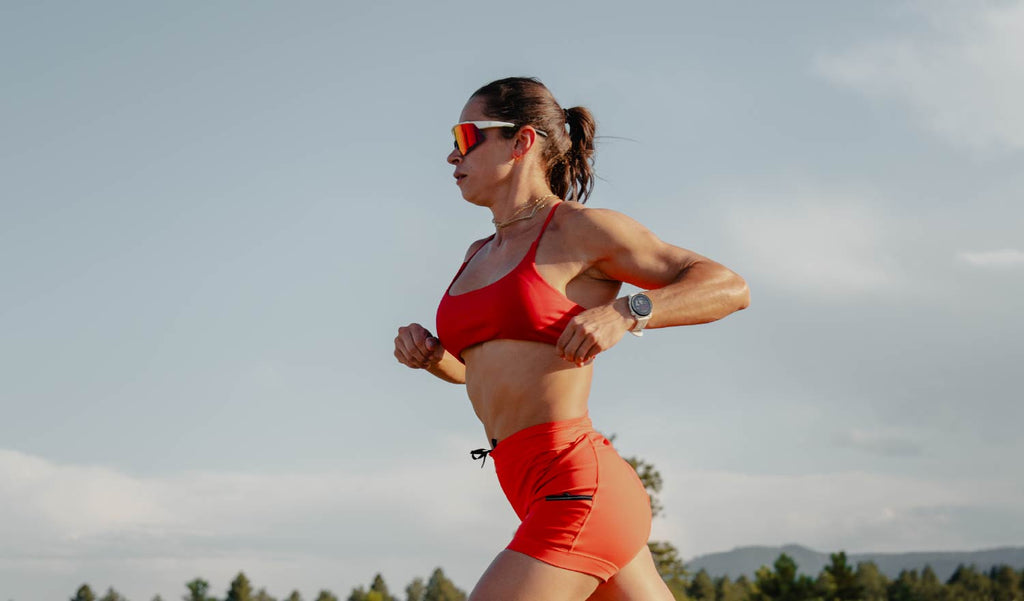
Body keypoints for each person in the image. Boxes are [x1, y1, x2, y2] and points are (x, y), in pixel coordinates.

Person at [394, 77, 749, 601]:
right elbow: (490, 373)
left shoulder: (578, 231)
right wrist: (431, 357)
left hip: (576, 482)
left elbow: (728, 286)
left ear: (522, 142)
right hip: (527, 485)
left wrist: (629, 310)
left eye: (466, 136)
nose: (451, 156)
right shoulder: (476, 254)